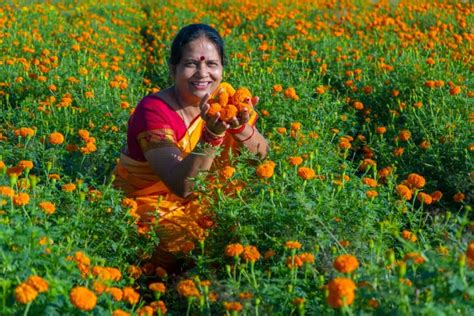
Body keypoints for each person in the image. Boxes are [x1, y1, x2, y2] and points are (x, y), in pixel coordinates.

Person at [113, 24, 269, 272]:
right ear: (173, 68)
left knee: (251, 217)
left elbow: (262, 156)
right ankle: (159, 285)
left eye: (212, 64)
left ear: (222, 68)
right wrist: (212, 134)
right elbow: (183, 186)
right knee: (181, 241)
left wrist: (240, 129)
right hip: (150, 202)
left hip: (204, 198)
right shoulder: (154, 111)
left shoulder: (226, 99)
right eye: (191, 64)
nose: (202, 73)